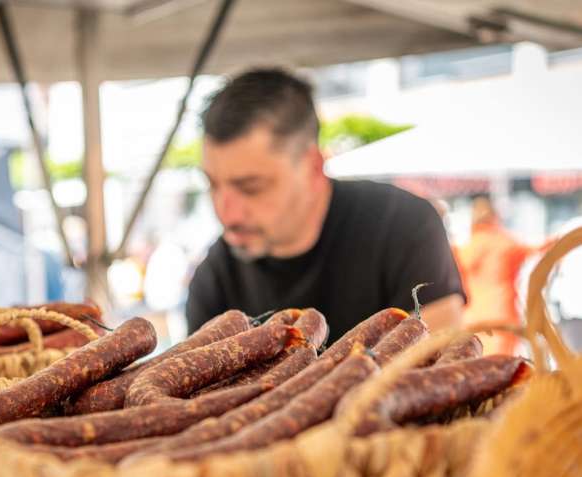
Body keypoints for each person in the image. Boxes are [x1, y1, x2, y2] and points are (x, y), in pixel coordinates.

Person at [185, 68, 465, 342]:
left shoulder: (404, 225)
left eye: (251, 187)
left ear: (313, 166)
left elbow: (440, 359)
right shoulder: (214, 278)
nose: (226, 213)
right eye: (213, 184)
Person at [457, 196, 540, 355]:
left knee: (476, 368)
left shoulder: (466, 248)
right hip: (503, 317)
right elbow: (539, 251)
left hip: (472, 318)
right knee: (503, 370)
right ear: (495, 217)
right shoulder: (507, 243)